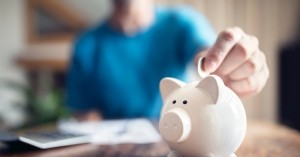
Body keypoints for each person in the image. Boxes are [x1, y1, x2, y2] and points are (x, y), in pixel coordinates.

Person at [66, 0, 269, 121]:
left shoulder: (182, 23)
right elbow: (85, 116)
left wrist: (225, 62)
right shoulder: (86, 45)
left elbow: (205, 54)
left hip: (178, 137)